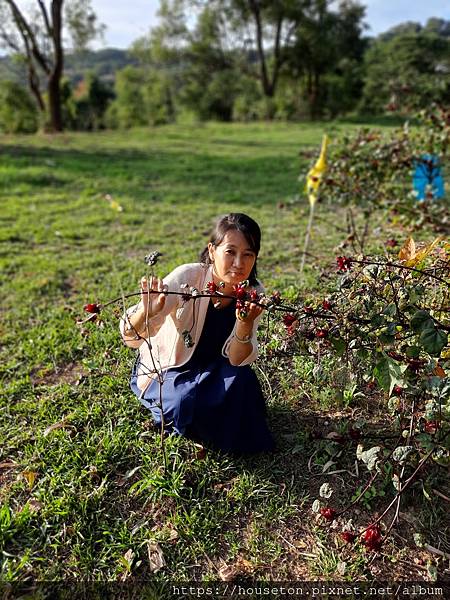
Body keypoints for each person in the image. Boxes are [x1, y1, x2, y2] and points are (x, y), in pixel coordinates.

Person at [120, 213, 274, 454]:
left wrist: (244, 325)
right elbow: (131, 336)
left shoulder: (252, 293)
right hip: (173, 368)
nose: (238, 263)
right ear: (212, 251)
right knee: (184, 401)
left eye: (248, 255)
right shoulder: (187, 279)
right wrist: (146, 313)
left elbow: (236, 359)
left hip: (217, 369)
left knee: (243, 382)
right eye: (230, 252)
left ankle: (214, 425)